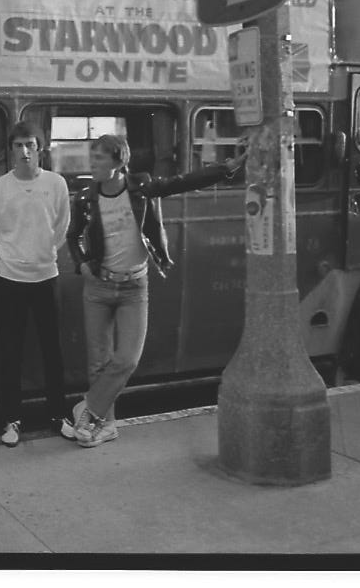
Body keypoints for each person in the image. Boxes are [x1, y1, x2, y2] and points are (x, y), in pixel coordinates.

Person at [61, 135, 235, 447]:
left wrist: (224, 169)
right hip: (98, 286)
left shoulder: (140, 187)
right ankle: (105, 426)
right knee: (99, 365)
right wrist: (82, 264)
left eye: (99, 158)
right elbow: (73, 236)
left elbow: (181, 182)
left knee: (127, 359)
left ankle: (87, 409)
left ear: (118, 162)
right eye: (92, 157)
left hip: (134, 287)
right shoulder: (85, 197)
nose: (92, 164)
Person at [0, 131, 72, 448]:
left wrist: (43, 255)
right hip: (10, 279)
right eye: (18, 145)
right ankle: (11, 420)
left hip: (47, 276)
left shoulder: (56, 184)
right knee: (10, 352)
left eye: (30, 145)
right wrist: (12, 259)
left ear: (40, 149)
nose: (25, 151)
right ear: (10, 150)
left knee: (53, 351)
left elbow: (61, 228)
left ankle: (58, 415)